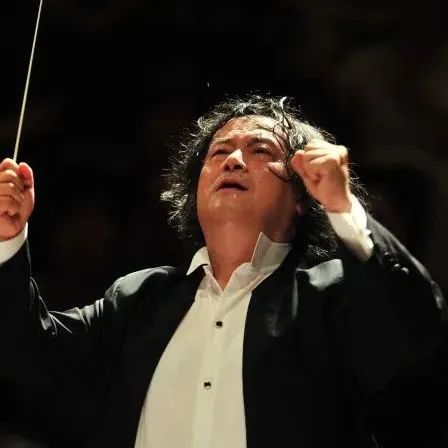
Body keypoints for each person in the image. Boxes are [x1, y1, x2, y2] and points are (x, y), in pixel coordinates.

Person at [0, 95, 446, 448]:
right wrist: (7, 238)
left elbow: (415, 325)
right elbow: (27, 352)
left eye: (260, 150)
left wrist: (342, 206)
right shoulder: (139, 300)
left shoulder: (333, 296)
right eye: (218, 152)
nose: (233, 160)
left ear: (303, 195)